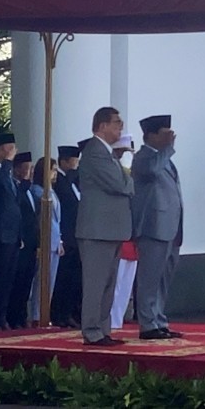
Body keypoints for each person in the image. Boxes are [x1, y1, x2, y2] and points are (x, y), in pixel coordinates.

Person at [77, 107, 134, 346]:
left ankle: (102, 329)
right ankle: (91, 330)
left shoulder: (109, 154)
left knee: (109, 283)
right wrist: (128, 178)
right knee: (96, 283)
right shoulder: (96, 151)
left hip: (109, 229)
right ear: (101, 126)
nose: (120, 128)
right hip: (97, 230)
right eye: (116, 123)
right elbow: (120, 184)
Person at [131, 115, 184, 340]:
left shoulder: (165, 160)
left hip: (170, 228)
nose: (170, 137)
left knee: (163, 278)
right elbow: (151, 171)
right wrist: (168, 149)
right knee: (149, 278)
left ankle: (159, 319)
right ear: (151, 135)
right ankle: (147, 323)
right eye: (164, 133)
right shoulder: (144, 157)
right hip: (153, 227)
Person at [0, 133, 22, 331]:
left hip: (12, 233)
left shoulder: (7, 173)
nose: (11, 153)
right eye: (7, 149)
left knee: (8, 279)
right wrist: (7, 161)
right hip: (0, 233)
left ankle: (2, 315)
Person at [29, 157, 64, 327]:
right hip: (44, 240)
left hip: (55, 240)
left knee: (51, 279)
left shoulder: (52, 191)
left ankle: (45, 313)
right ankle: (37, 314)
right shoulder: (37, 190)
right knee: (41, 279)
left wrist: (60, 241)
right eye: (52, 170)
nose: (55, 173)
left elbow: (57, 219)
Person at [51, 144, 83, 328]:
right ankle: (59, 313)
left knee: (73, 279)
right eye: (74, 161)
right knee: (63, 279)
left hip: (76, 237)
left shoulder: (73, 182)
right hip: (67, 237)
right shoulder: (60, 182)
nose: (76, 165)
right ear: (64, 162)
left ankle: (69, 312)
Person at [6, 152, 38, 329]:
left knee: (26, 281)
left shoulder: (29, 190)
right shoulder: (16, 188)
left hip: (31, 243)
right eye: (26, 168)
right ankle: (13, 316)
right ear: (17, 170)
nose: (29, 172)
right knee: (16, 281)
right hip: (20, 242)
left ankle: (21, 316)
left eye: (31, 168)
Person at [109, 134, 138, 330]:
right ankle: (110, 320)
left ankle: (117, 320)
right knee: (116, 282)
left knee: (126, 284)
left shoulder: (128, 172)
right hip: (117, 232)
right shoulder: (113, 169)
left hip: (131, 233)